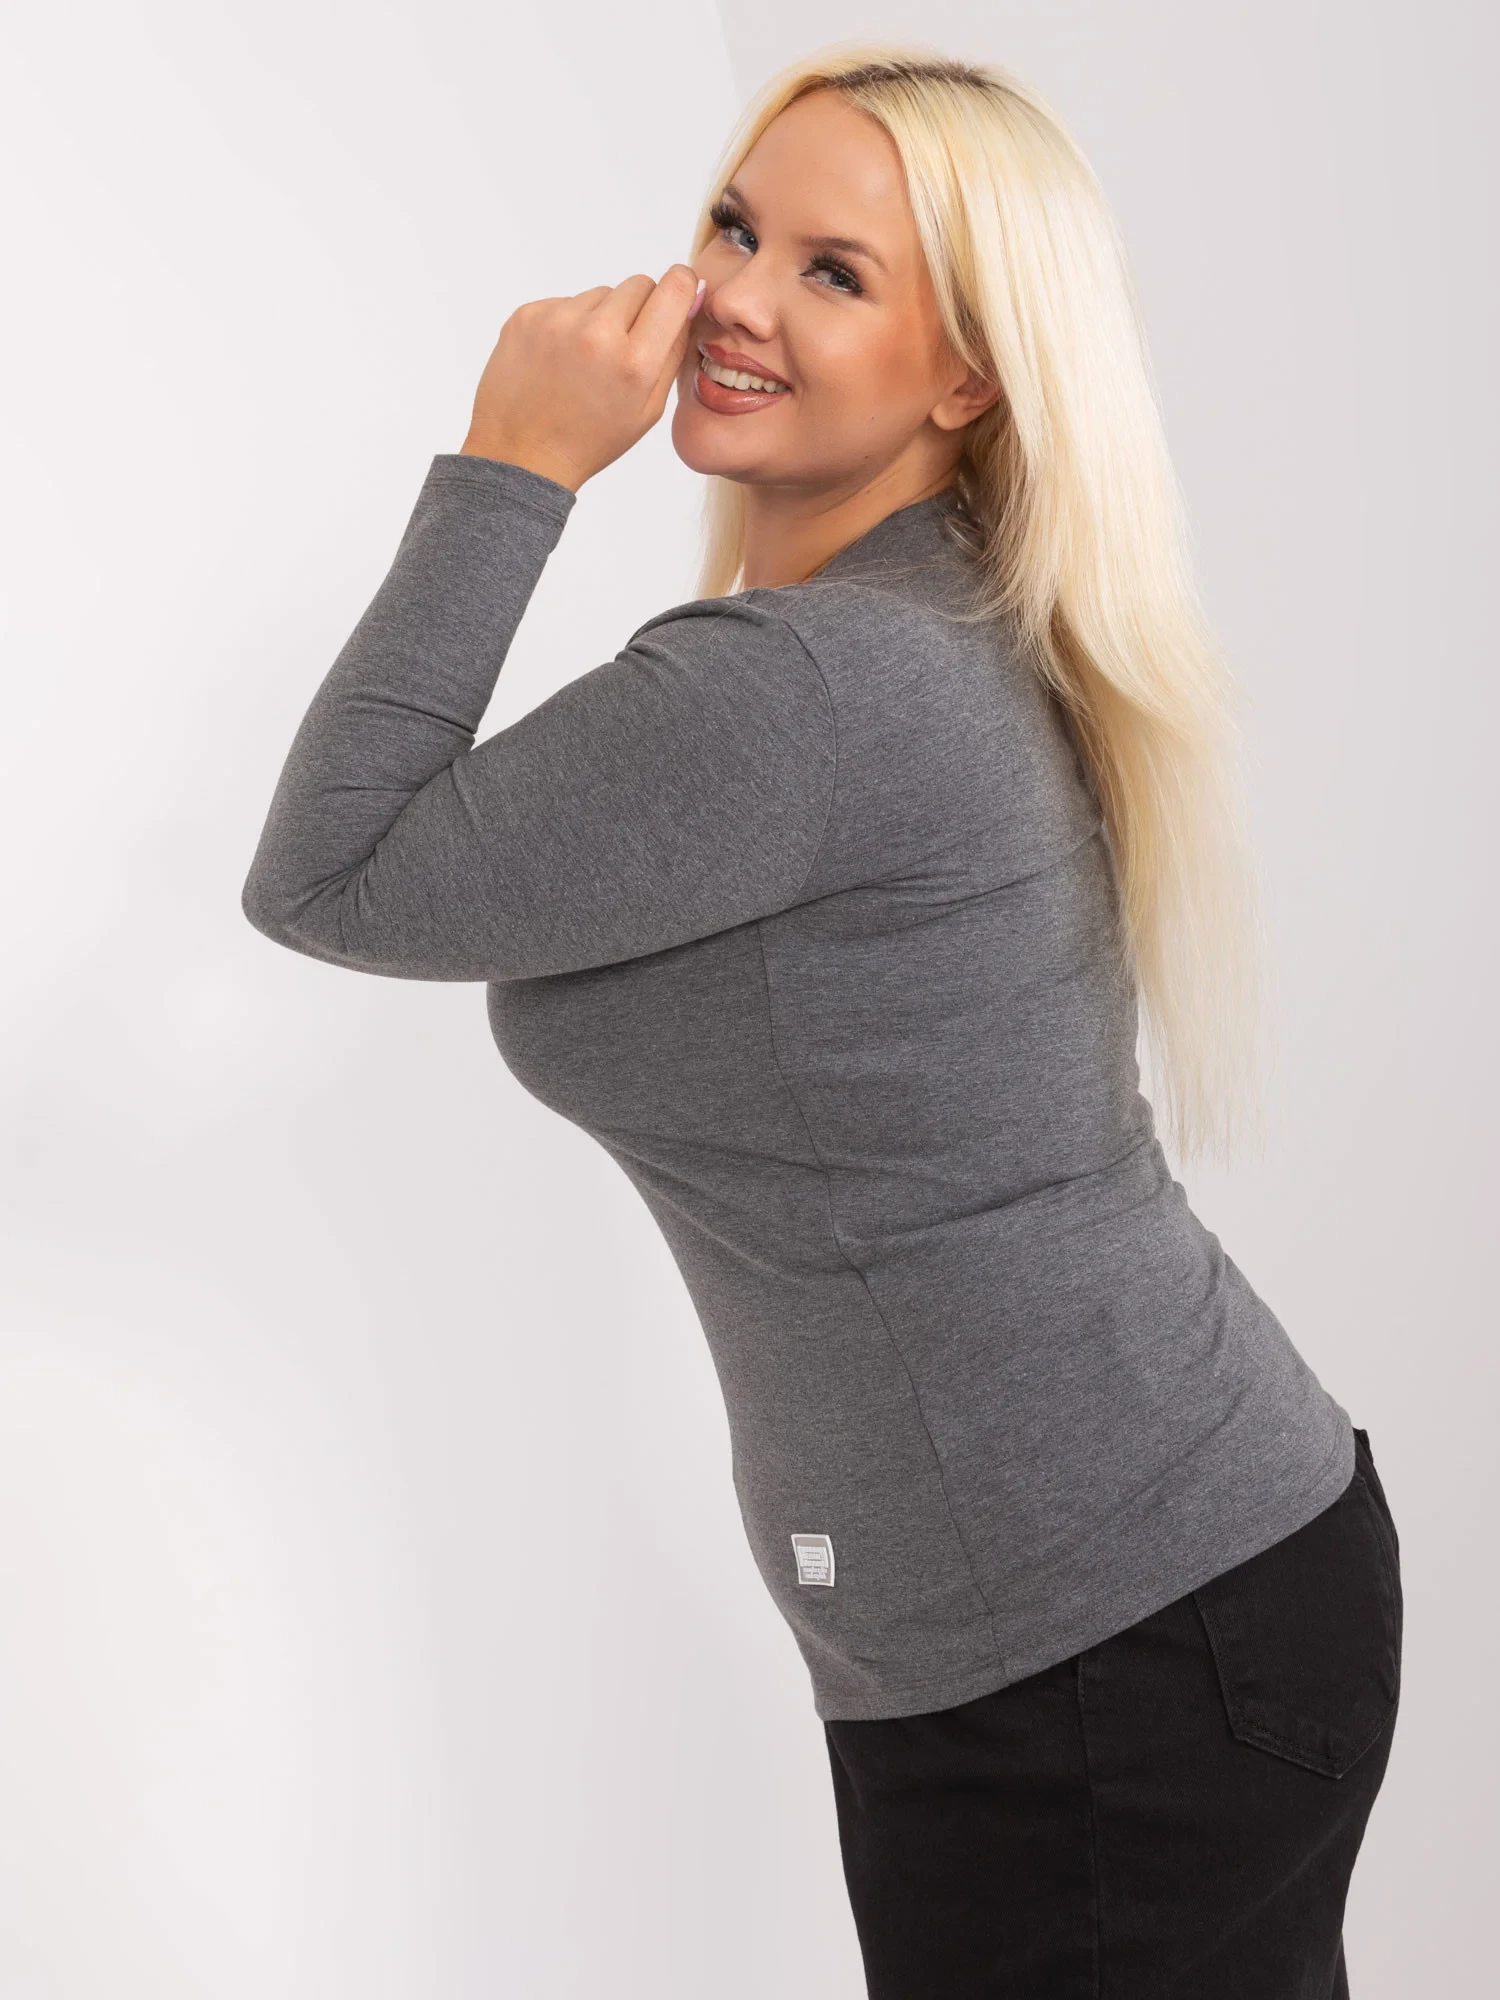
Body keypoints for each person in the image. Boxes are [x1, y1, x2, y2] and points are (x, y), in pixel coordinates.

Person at [241, 40, 1401, 2000]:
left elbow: (329, 875)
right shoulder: (904, 620)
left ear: (967, 378)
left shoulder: (816, 689)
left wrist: (514, 461)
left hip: (1108, 1648)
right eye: (733, 228)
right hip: (1127, 1609)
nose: (737, 300)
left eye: (835, 272)